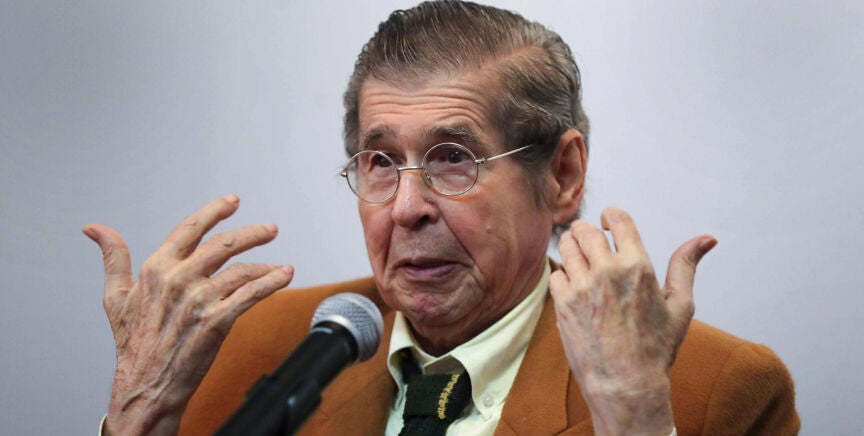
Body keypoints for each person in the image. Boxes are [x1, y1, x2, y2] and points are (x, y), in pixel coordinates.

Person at [84, 1, 799, 435]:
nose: (406, 208)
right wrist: (140, 418)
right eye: (380, 162)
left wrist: (634, 420)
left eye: (453, 158)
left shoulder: (712, 390)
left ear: (562, 175)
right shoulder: (251, 349)